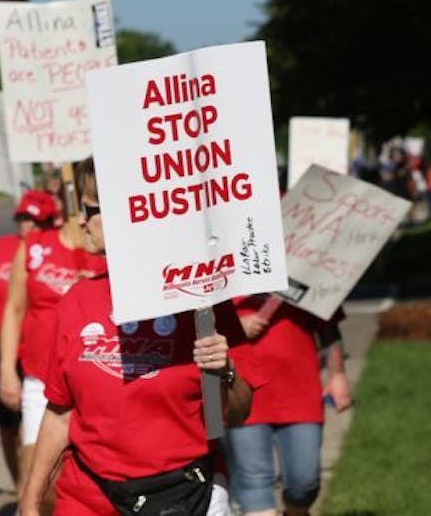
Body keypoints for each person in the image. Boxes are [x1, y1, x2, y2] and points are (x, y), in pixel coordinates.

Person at [20, 157, 259, 516]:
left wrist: (225, 369)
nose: (80, 220)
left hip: (186, 494)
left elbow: (238, 413)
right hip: (91, 496)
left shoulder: (202, 300)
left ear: (125, 214)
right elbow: (60, 412)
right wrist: (30, 499)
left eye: (89, 209)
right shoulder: (75, 302)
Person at [0, 182, 104, 498]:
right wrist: (7, 369)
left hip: (91, 380)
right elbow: (14, 309)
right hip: (40, 378)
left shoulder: (103, 251)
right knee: (35, 482)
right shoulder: (33, 245)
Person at [225, 294, 352, 516]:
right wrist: (233, 329)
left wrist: (338, 374)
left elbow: (328, 325)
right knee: (253, 481)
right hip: (243, 394)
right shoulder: (222, 267)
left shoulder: (304, 267)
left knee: (305, 482)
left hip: (300, 392)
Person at [0, 188, 57, 485]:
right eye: (22, 219)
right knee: (7, 427)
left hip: (37, 354)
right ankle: (19, 487)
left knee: (31, 431)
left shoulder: (52, 251)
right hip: (1, 348)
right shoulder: (1, 246)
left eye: (35, 221)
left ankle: (31, 489)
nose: (27, 226)